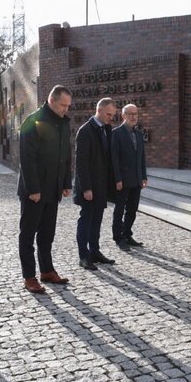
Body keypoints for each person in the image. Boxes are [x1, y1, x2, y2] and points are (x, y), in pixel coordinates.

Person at [17, 85, 73, 294]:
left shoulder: (63, 122)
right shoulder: (33, 121)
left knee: (47, 233)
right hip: (34, 191)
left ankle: (47, 270)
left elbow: (66, 155)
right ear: (51, 100)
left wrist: (66, 182)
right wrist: (33, 188)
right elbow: (26, 158)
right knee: (28, 234)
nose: (65, 109)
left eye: (68, 106)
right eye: (62, 105)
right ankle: (29, 277)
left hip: (53, 188)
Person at [74, 97, 117, 270]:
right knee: (86, 220)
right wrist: (86, 188)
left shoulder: (106, 129)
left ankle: (95, 251)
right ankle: (83, 256)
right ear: (99, 111)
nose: (110, 118)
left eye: (112, 115)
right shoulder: (85, 131)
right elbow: (81, 163)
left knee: (97, 220)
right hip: (89, 187)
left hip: (101, 186)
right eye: (108, 114)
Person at [111, 104, 148, 251]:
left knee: (132, 209)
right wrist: (117, 179)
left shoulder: (138, 134)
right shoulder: (116, 133)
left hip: (137, 179)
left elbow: (142, 157)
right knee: (119, 210)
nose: (133, 117)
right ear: (123, 116)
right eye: (130, 114)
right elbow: (114, 159)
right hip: (123, 180)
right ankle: (118, 238)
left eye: (135, 114)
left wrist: (143, 176)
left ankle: (127, 234)